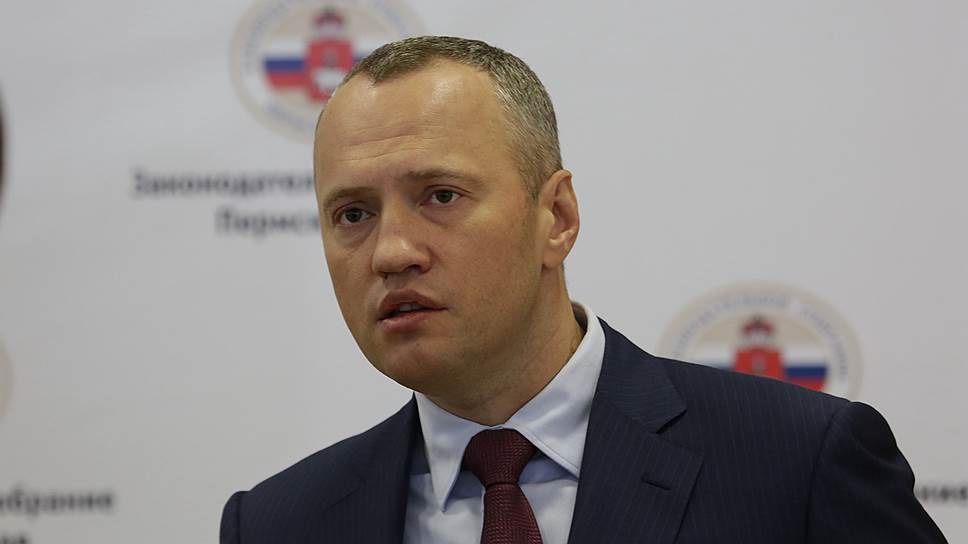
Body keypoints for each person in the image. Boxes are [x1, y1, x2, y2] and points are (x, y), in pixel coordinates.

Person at [220, 36, 946, 544]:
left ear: (557, 218)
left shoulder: (799, 463)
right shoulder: (279, 525)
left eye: (440, 196)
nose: (392, 252)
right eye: (353, 214)